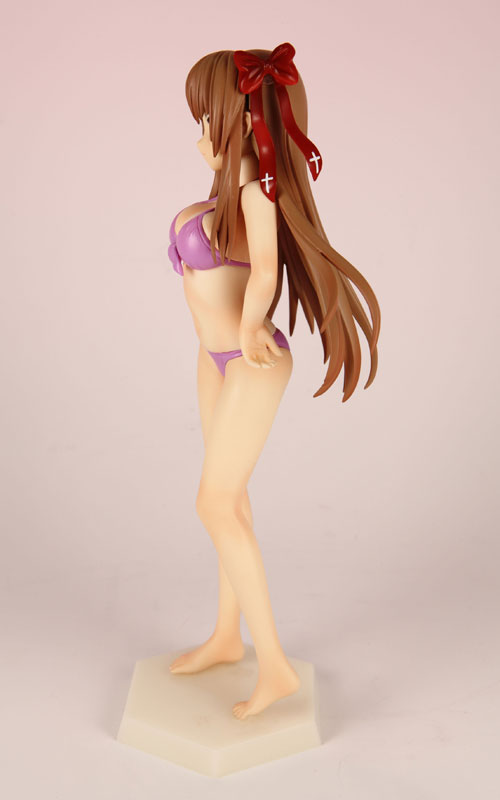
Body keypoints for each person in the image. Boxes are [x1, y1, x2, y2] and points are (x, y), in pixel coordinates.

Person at [166, 43, 381, 720]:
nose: (200, 130)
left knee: (213, 504)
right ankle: (227, 636)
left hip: (250, 359)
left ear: (238, 116)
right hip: (212, 359)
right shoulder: (230, 186)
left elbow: (264, 269)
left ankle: (277, 667)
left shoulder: (257, 189)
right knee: (232, 498)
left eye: (208, 115)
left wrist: (253, 321)